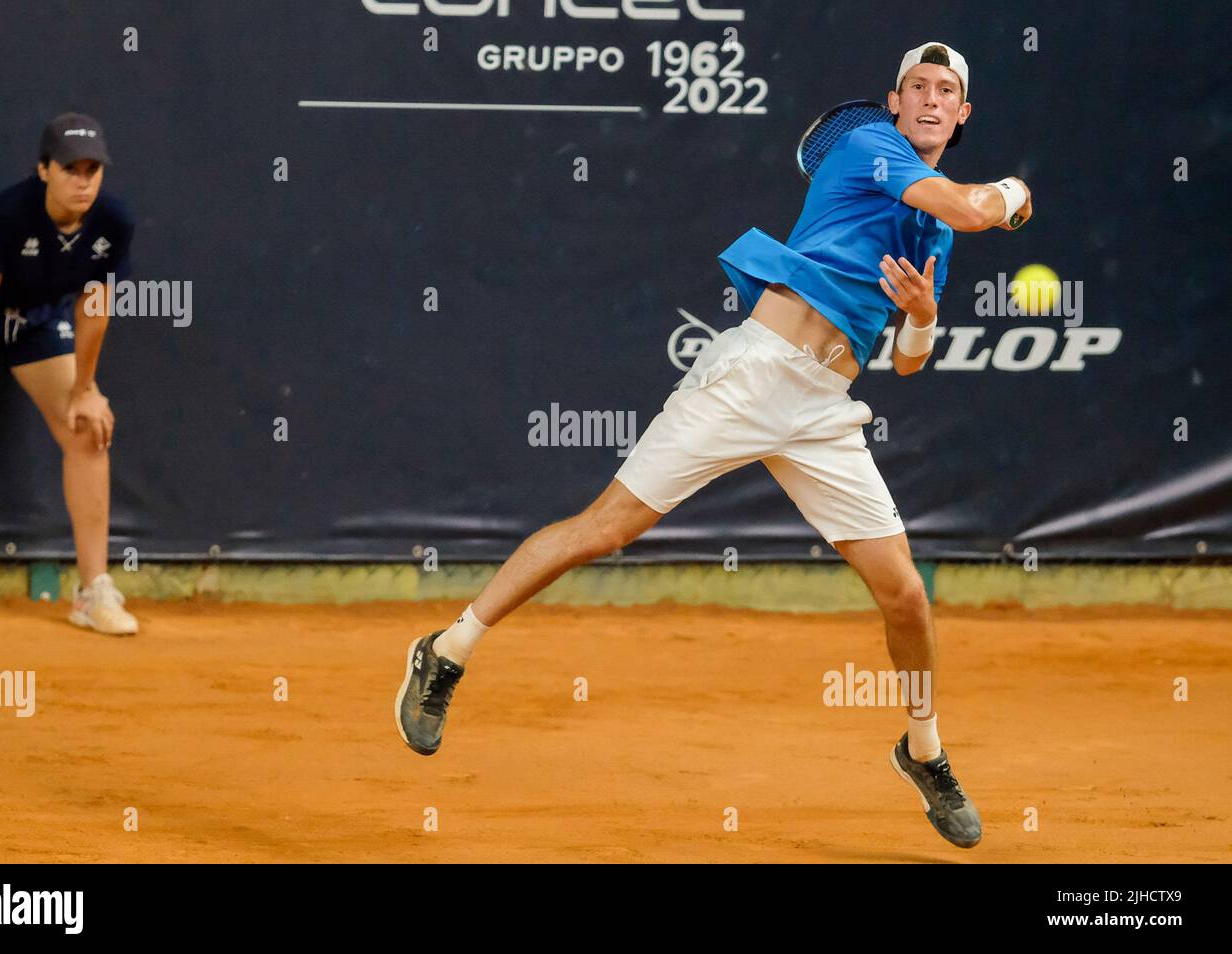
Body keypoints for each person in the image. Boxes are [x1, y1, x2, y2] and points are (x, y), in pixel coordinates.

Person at [395, 42, 1032, 849]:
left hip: (825, 407)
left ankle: (923, 748)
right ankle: (446, 651)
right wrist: (1018, 192)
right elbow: (982, 209)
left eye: (947, 91)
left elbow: (908, 360)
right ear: (895, 102)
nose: (931, 100)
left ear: (962, 111)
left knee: (904, 592)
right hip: (752, 373)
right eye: (917, 87)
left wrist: (923, 312)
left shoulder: (933, 228)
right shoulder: (873, 147)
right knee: (608, 529)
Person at [0, 113, 138, 635]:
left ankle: (92, 592)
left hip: (36, 321)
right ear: (43, 170)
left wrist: (85, 389)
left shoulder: (112, 222)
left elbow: (94, 307)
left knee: (87, 429)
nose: (83, 179)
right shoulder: (7, 213)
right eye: (71, 168)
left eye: (93, 169)